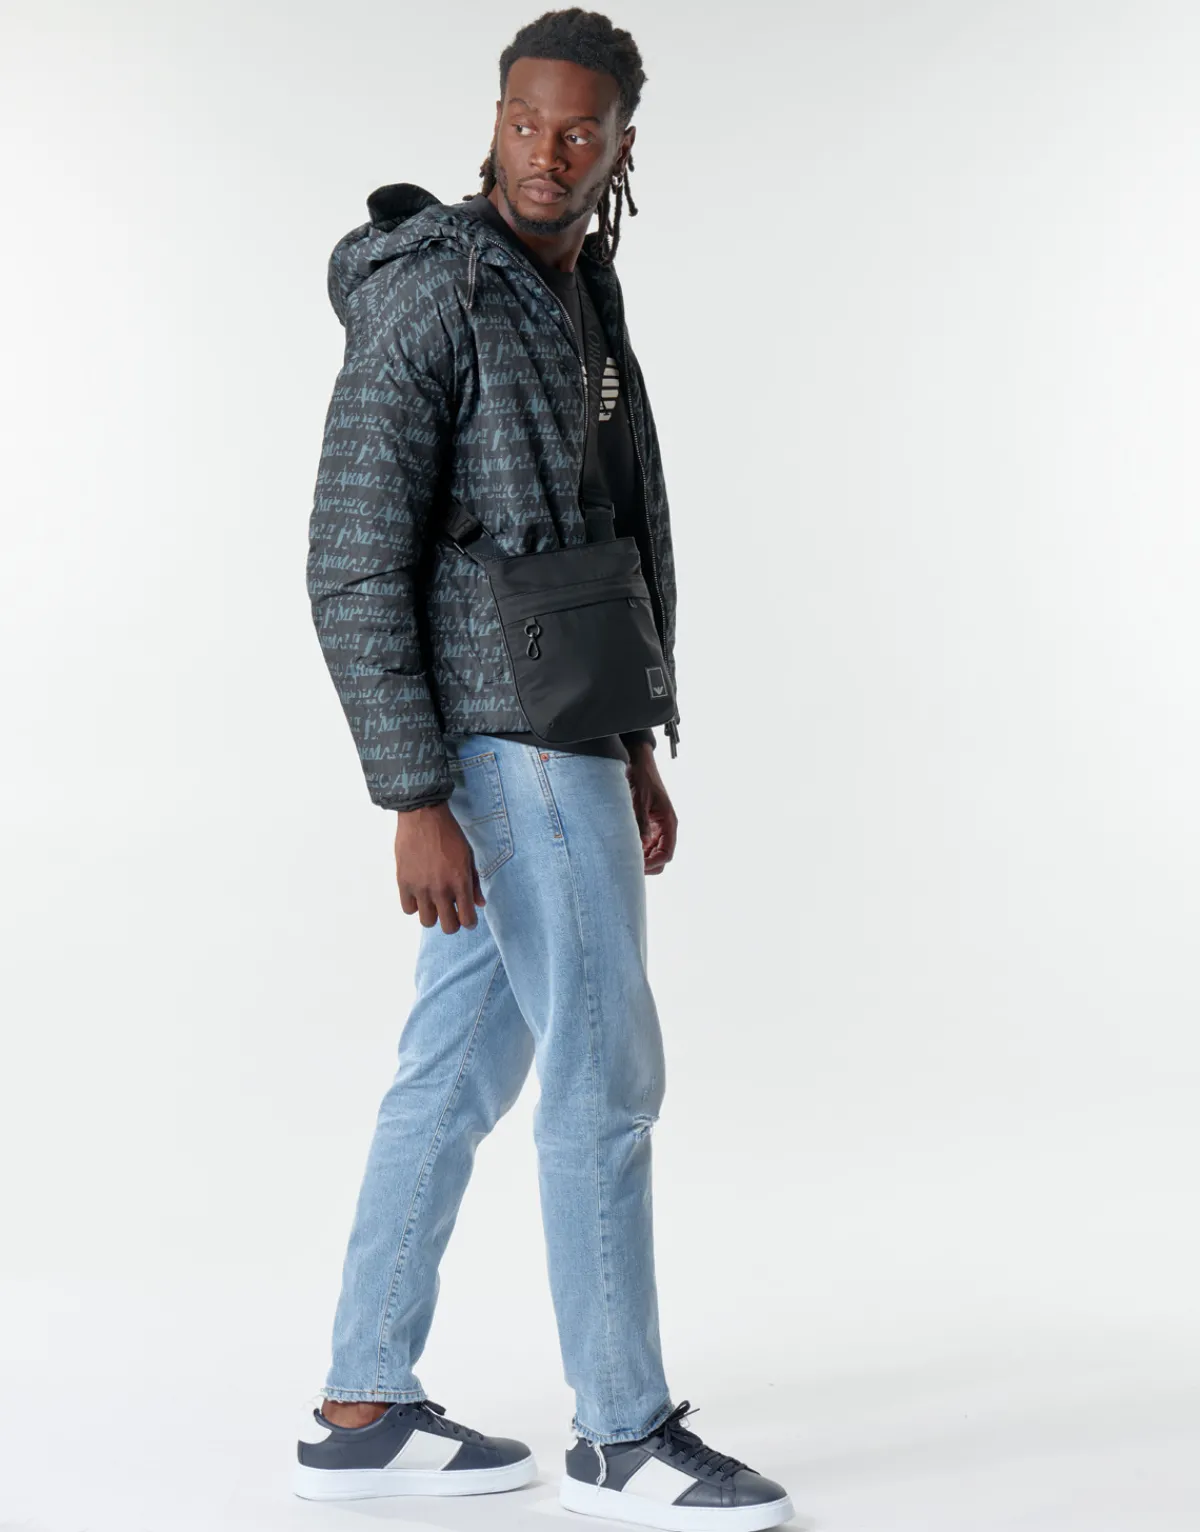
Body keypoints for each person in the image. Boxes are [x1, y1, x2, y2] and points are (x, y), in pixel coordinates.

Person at [298, 10, 794, 1529]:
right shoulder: (436, 293)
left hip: (571, 730)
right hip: (497, 745)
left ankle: (363, 1403)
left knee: (458, 1070)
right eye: (526, 121)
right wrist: (413, 798)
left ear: (623, 144)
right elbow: (350, 560)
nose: (548, 151)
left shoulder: (581, 288)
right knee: (604, 1080)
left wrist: (634, 739)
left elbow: (609, 531)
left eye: (581, 129)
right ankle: (621, 1433)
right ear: (495, 120)